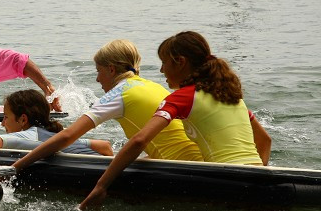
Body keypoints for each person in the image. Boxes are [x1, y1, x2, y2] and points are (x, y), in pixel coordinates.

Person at [80, 31, 272, 210]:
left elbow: (140, 140)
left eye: (164, 62)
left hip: (225, 183)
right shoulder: (230, 95)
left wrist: (101, 185)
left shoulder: (182, 97)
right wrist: (258, 180)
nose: (162, 70)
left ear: (180, 62)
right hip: (258, 179)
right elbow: (265, 141)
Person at [13, 39, 203, 173]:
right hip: (199, 161)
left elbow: (68, 136)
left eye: (99, 71)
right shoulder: (153, 85)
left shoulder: (120, 92)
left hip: (179, 168)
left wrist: (17, 166)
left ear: (111, 69)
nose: (97, 78)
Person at [0, 89, 112, 165]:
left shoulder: (27, 135)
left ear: (23, 119)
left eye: (6, 117)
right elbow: (104, 146)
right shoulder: (59, 135)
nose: (2, 123)